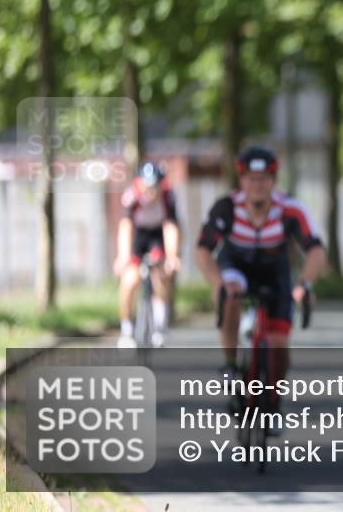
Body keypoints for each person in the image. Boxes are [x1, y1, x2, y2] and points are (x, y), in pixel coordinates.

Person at [195, 146, 327, 422]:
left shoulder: (290, 209)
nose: (257, 185)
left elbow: (315, 249)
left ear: (274, 180)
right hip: (236, 267)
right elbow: (203, 250)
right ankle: (231, 364)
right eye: (251, 179)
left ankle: (274, 403)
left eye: (264, 179)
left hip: (275, 271)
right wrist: (217, 283)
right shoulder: (226, 208)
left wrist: (305, 284)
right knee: (230, 294)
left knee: (279, 345)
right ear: (241, 180)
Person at [114, 161, 181, 348]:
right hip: (138, 235)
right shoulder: (132, 195)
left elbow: (171, 226)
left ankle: (160, 326)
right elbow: (126, 226)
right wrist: (123, 256)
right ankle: (127, 328)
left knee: (161, 275)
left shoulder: (168, 195)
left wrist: (172, 255)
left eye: (154, 187)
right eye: (147, 186)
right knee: (129, 280)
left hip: (157, 235)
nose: (150, 191)